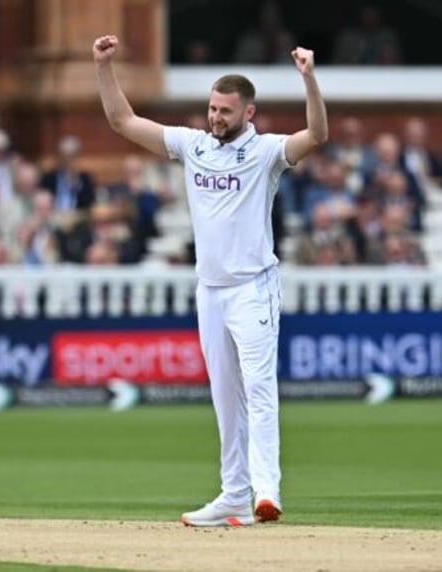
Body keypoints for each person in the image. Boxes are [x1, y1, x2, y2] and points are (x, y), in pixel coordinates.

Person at [93, 35, 328, 526]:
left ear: (249, 113)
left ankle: (268, 491)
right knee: (225, 397)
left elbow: (317, 136)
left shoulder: (265, 152)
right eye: (212, 108)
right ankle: (233, 496)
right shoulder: (193, 145)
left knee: (259, 388)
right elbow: (122, 121)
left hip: (253, 287)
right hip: (211, 290)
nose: (215, 117)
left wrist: (309, 79)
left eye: (225, 110)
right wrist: (103, 66)